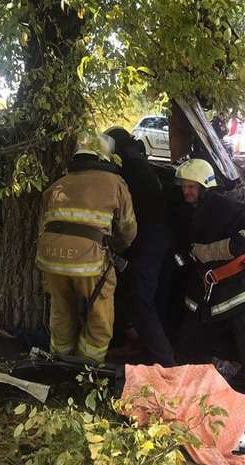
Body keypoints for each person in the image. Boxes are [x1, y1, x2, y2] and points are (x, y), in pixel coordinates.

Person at [174, 158, 245, 400]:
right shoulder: (191, 211)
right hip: (207, 291)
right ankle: (190, 393)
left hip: (238, 291)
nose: (185, 191)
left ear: (204, 186)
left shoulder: (227, 208)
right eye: (184, 186)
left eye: (191, 186)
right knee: (190, 343)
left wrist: (210, 251)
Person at [36, 132, 137, 363]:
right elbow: (128, 228)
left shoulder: (56, 186)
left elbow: (44, 225)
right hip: (91, 262)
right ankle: (86, 371)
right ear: (104, 156)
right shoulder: (115, 184)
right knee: (100, 319)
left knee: (61, 313)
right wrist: (116, 248)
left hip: (50, 260)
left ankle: (58, 363)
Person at [104, 126, 177, 367]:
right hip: (155, 238)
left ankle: (165, 362)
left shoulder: (129, 167)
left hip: (147, 240)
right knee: (132, 294)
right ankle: (135, 344)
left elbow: (126, 212)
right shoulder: (138, 162)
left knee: (140, 298)